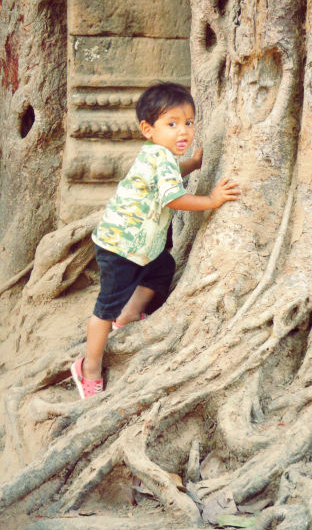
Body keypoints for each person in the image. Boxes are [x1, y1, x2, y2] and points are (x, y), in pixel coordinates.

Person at [71, 82, 240, 399]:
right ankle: (88, 366)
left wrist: (194, 164)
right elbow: (175, 198)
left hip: (142, 246)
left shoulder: (157, 155)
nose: (184, 132)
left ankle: (130, 315)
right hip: (121, 249)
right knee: (105, 308)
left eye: (189, 123)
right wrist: (212, 200)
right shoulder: (158, 157)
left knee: (163, 269)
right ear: (148, 130)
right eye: (172, 124)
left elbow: (173, 172)